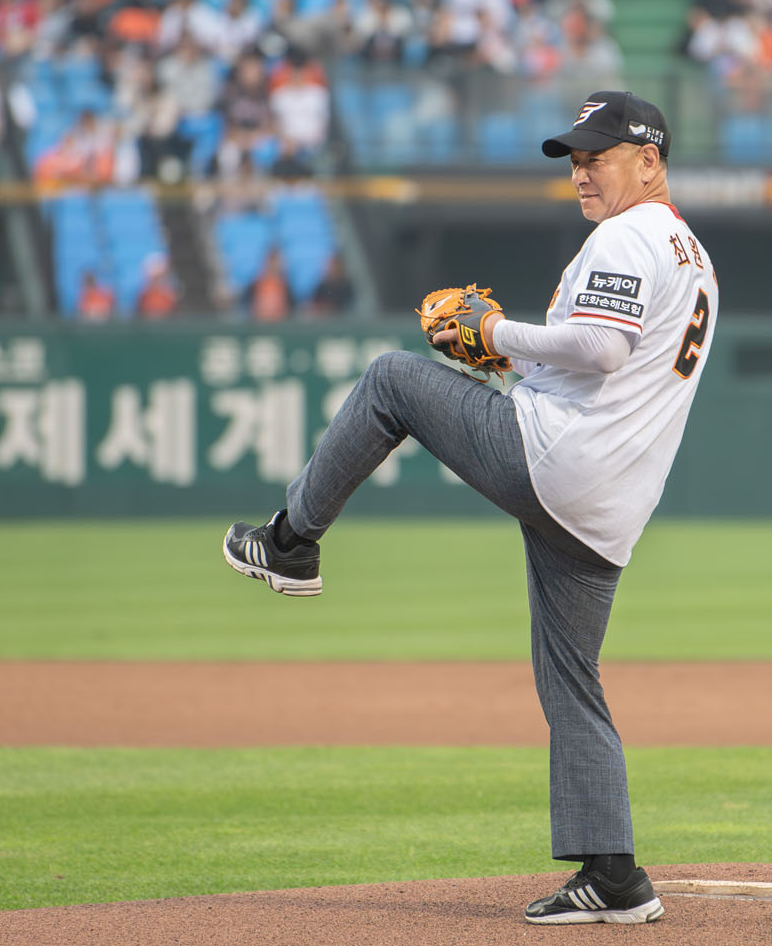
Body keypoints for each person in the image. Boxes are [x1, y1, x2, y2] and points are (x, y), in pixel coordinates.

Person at [220, 90, 716, 925]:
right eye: (575, 160)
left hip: (558, 461)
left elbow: (602, 349)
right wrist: (503, 363)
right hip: (611, 502)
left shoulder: (629, 234)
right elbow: (606, 369)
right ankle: (614, 875)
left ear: (649, 160)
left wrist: (497, 331)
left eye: (597, 157)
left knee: (391, 380)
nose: (582, 173)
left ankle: (291, 542)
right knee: (571, 678)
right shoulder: (691, 254)